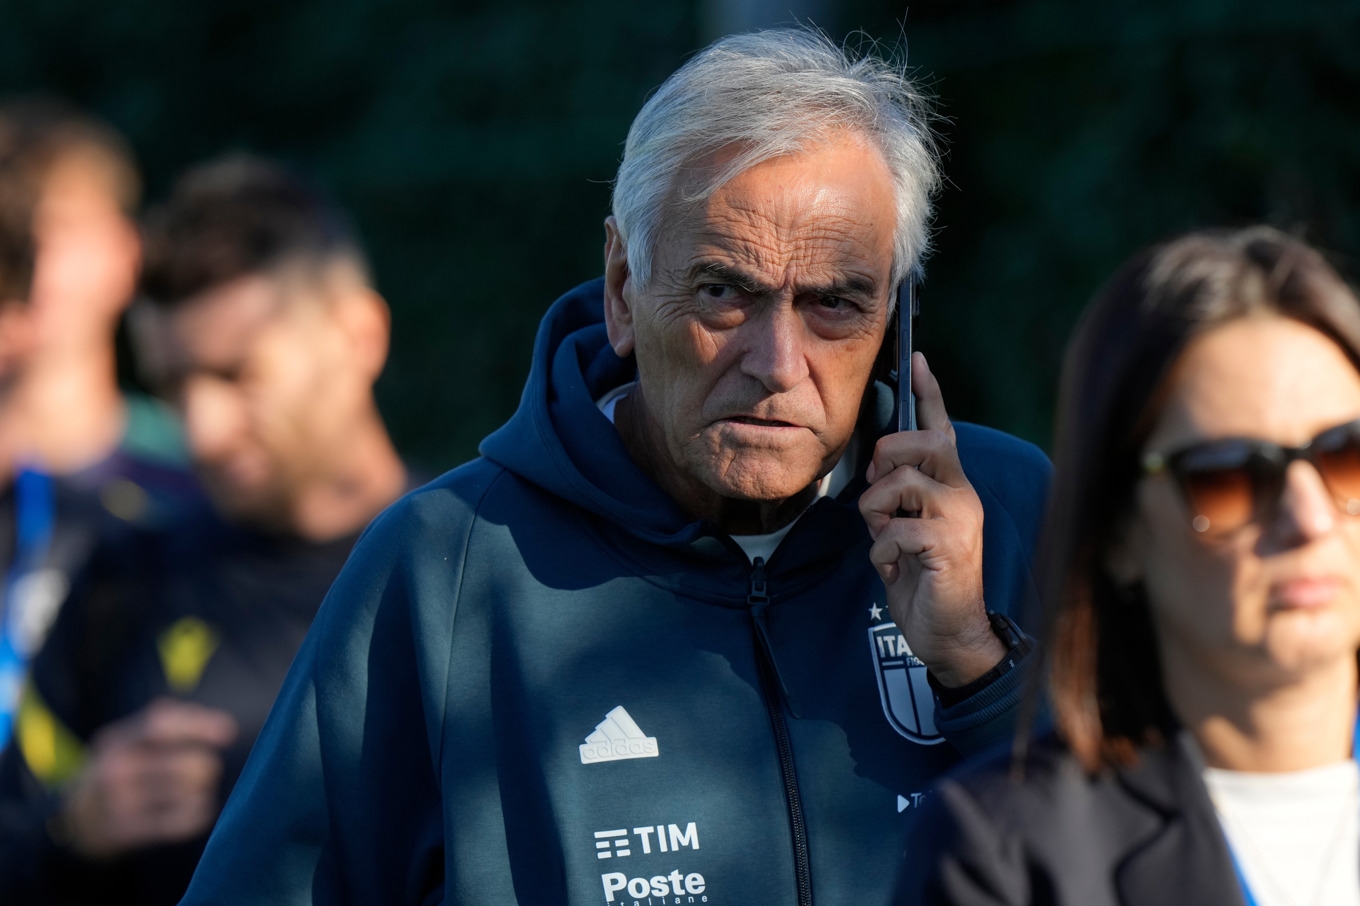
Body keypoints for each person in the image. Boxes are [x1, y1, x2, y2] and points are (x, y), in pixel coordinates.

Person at [181, 29, 1051, 905]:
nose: (779, 361)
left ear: (895, 320)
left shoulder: (1013, 516)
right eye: (724, 292)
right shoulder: (445, 567)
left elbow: (1149, 865)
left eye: (835, 303)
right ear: (623, 286)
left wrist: (979, 669)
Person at [898, 226, 1360, 906]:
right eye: (1228, 477)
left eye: (1345, 458)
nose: (1309, 518)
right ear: (1119, 532)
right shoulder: (1004, 853)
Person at [0, 154, 409, 905]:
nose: (203, 428)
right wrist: (74, 830)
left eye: (235, 375)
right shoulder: (118, 584)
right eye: (173, 384)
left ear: (358, 337)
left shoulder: (473, 560)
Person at [0, 98, 197, 747]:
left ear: (127, 252)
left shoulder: (196, 476)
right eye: (16, 230)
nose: (35, 257)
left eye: (60, 227)